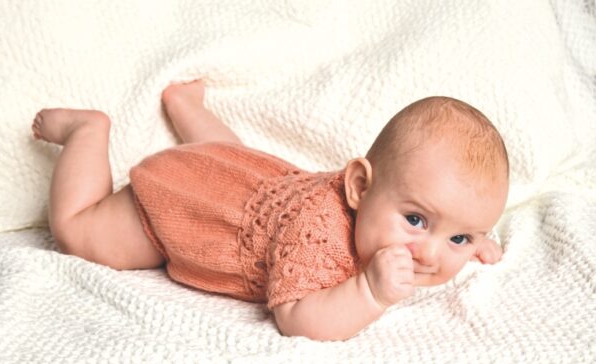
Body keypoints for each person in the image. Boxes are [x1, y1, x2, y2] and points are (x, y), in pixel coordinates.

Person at [31, 80, 509, 341]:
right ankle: (87, 132)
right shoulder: (316, 237)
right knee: (78, 232)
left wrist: (470, 241)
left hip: (242, 176)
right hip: (185, 205)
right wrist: (370, 291)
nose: (429, 254)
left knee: (230, 155)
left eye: (458, 237)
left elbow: (445, 225)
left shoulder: (399, 211)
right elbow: (296, 318)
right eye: (416, 221)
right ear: (359, 186)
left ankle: (184, 105)